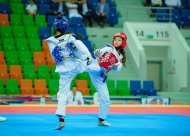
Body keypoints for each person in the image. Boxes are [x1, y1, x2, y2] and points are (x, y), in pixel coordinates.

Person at [46, 15, 93, 130]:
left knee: (62, 94)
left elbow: (56, 57)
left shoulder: (52, 40)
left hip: (65, 70)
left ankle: (61, 119)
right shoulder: (69, 37)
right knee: (90, 64)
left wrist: (68, 49)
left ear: (55, 26)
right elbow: (79, 47)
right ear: (65, 26)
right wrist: (86, 57)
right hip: (75, 64)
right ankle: (93, 61)